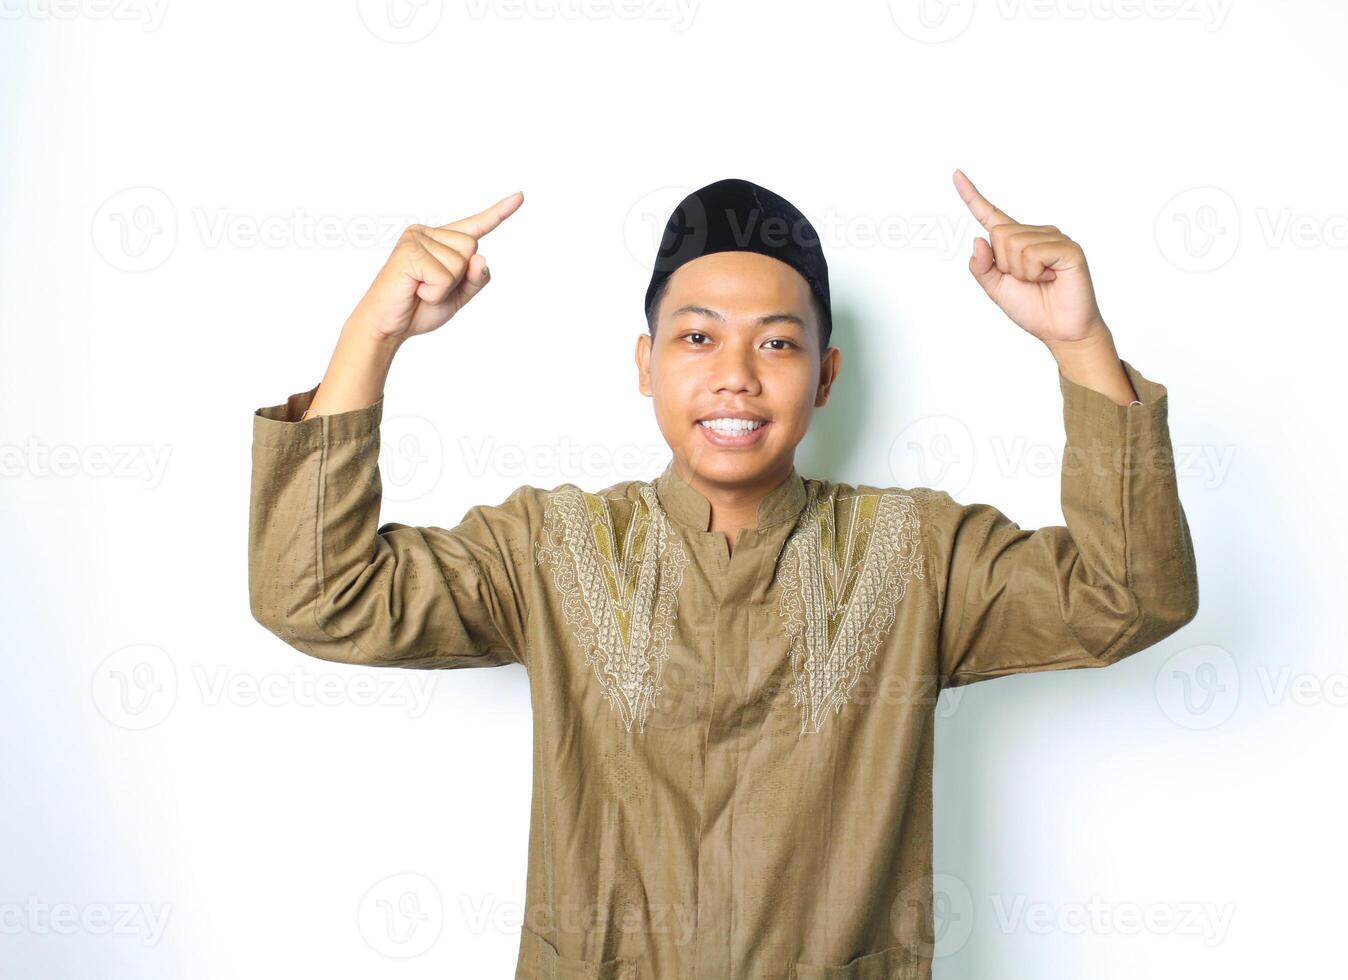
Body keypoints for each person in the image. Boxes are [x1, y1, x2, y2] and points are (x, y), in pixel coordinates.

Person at [247, 172, 1199, 980]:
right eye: (697, 337)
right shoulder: (548, 545)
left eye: (777, 342)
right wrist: (371, 339)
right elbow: (318, 596)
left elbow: (1131, 595)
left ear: (826, 376)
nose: (736, 374)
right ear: (646, 365)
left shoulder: (916, 554)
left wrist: (1079, 344)